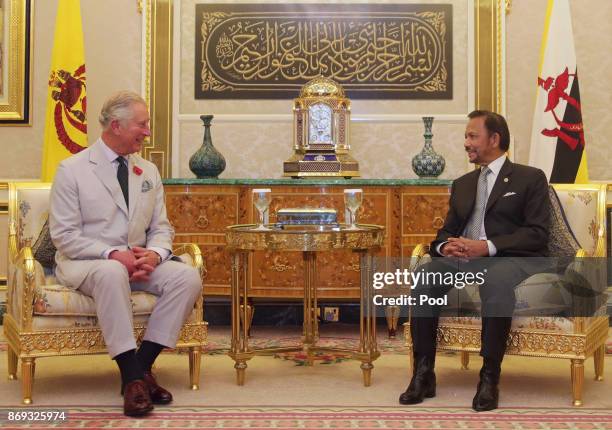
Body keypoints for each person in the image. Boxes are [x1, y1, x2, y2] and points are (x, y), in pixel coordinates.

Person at [49, 91, 202, 417]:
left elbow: (161, 227)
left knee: (187, 277)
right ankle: (132, 375)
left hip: (137, 263)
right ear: (116, 125)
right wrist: (111, 253)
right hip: (88, 263)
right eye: (142, 124)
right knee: (111, 271)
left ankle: (139, 370)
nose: (147, 132)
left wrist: (156, 255)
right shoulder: (72, 170)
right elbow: (64, 237)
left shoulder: (147, 171)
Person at [399, 110, 549, 411]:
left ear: (494, 139)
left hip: (506, 259)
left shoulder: (530, 178)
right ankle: (423, 374)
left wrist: (487, 247)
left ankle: (489, 378)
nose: (466, 142)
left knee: (495, 280)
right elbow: (444, 233)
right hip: (462, 260)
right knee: (425, 279)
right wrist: (445, 248)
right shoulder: (464, 183)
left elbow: (537, 234)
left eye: (472, 135)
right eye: (466, 136)